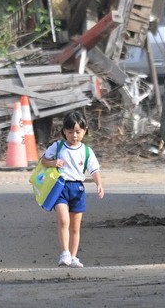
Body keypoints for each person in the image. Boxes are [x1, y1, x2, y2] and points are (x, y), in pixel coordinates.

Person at [40, 110, 104, 268]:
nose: (74, 136)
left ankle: (74, 256)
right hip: (60, 187)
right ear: (64, 132)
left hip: (78, 188)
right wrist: (53, 163)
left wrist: (99, 184)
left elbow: (94, 170)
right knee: (63, 220)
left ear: (85, 130)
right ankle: (65, 253)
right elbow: (43, 161)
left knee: (76, 227)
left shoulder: (87, 151)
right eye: (70, 132)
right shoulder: (58, 146)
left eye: (78, 132)